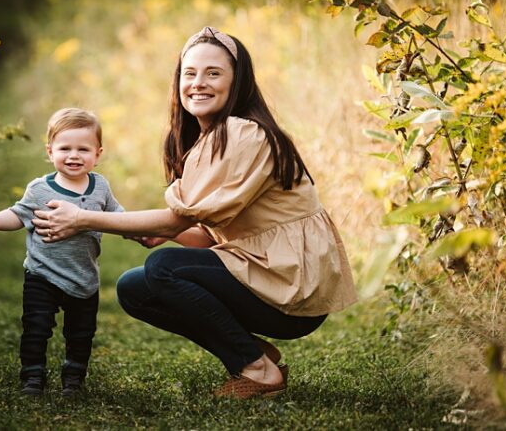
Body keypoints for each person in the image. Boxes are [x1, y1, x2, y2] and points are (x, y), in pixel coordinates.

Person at [31, 27, 357, 398]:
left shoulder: (244, 133)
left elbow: (177, 218)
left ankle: (259, 373)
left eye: (213, 73)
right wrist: (164, 232)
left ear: (238, 81)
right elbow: (207, 236)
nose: (198, 83)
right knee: (134, 288)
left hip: (292, 288)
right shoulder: (209, 138)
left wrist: (82, 218)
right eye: (190, 73)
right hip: (262, 273)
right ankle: (254, 355)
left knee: (163, 268)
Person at [0, 108, 124, 396]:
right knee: (36, 327)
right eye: (64, 148)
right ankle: (32, 377)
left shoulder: (101, 187)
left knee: (81, 333)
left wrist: (142, 229)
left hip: (84, 277)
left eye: (83, 149)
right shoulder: (40, 189)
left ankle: (73, 379)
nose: (73, 155)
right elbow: (19, 215)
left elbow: (118, 215)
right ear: (50, 151)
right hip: (42, 274)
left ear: (98, 153)